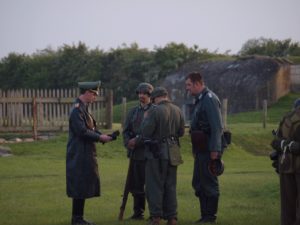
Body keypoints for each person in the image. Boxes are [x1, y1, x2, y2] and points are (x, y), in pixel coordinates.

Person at [66, 81, 113, 225]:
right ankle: (77, 219)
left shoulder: (84, 109)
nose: (95, 97)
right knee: (80, 184)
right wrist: (100, 137)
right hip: (79, 153)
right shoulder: (77, 109)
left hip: (86, 152)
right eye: (94, 94)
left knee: (84, 183)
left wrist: (104, 136)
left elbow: (90, 129)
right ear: (87, 92)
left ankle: (79, 217)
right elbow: (82, 131)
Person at [138, 87, 185, 225]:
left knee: (154, 185)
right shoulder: (178, 110)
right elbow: (181, 132)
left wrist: (145, 119)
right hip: (174, 150)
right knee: (170, 185)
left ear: (155, 98)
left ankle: (156, 217)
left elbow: (145, 131)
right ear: (166, 96)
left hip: (156, 151)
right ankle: (172, 218)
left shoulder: (154, 110)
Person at [185, 72, 224, 224]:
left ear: (197, 84)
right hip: (201, 147)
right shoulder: (200, 99)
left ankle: (210, 216)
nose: (187, 89)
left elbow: (216, 127)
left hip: (209, 148)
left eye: (189, 85)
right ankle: (204, 215)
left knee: (209, 182)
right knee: (199, 182)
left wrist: (215, 150)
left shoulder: (209, 99)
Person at [122, 82, 154, 220]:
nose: (141, 96)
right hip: (135, 154)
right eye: (140, 93)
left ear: (150, 95)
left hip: (150, 153)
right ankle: (138, 213)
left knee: (152, 186)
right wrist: (128, 142)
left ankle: (155, 214)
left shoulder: (155, 111)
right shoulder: (133, 112)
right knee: (136, 186)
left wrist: (138, 141)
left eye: (144, 94)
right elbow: (126, 131)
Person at [270, 98, 300, 225]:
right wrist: (286, 144)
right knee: (287, 206)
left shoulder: (288, 117)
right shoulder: (288, 118)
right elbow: (275, 142)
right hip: (287, 167)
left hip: (290, 166)